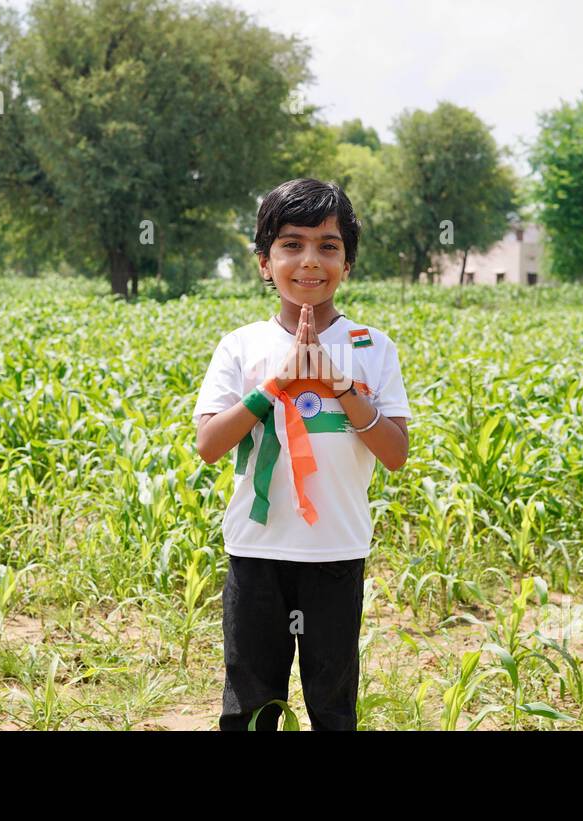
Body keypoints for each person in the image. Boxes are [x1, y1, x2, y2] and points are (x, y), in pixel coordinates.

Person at [192, 178, 412, 731]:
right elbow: (209, 444)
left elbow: (395, 453)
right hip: (256, 550)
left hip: (336, 551)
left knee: (333, 706)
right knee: (250, 704)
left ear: (348, 261)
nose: (309, 261)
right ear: (265, 262)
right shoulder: (241, 346)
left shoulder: (372, 347)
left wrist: (340, 385)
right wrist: (275, 385)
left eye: (328, 246)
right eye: (291, 245)